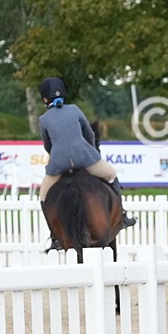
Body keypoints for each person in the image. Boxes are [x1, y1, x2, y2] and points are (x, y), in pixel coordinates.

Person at [37, 77, 136, 246]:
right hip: (85, 158)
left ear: (45, 99)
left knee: (44, 196)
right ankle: (122, 216)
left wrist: (57, 157)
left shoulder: (43, 119)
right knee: (111, 174)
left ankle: (55, 236)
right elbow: (89, 133)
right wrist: (90, 150)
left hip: (59, 164)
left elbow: (47, 145)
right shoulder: (75, 110)